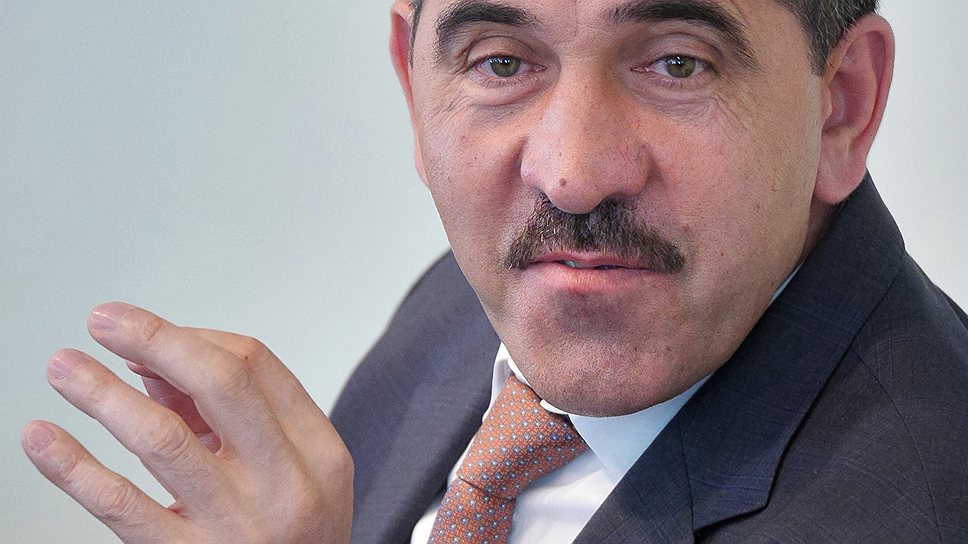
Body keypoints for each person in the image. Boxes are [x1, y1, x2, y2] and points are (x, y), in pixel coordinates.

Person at [21, 0, 968, 542]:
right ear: (414, 86)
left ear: (843, 107)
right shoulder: (498, 295)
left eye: (678, 65)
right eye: (502, 62)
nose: (572, 174)